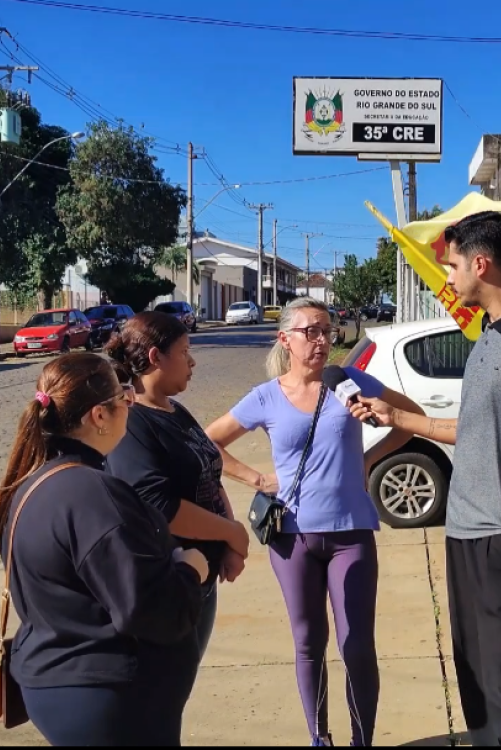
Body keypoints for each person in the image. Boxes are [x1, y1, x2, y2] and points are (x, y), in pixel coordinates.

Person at [349, 211, 501, 746]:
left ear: (482, 263)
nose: (448, 277)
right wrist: (398, 419)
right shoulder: (487, 336)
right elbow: (475, 429)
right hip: (463, 535)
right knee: (479, 686)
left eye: (453, 265)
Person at [204, 296, 421, 748]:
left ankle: (363, 739)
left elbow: (408, 420)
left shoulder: (349, 381)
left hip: (351, 533)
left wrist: (370, 458)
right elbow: (207, 442)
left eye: (328, 330)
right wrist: (257, 478)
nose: (323, 340)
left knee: (357, 645)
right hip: (292, 537)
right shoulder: (265, 397)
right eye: (311, 331)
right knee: (308, 642)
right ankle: (318, 738)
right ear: (286, 340)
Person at [0, 353, 209, 746]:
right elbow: (147, 607)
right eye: (123, 396)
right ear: (98, 416)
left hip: (60, 684)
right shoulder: (95, 496)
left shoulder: (30, 485)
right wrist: (191, 569)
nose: (130, 403)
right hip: (109, 699)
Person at [103, 312, 250, 677]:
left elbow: (209, 473)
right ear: (155, 358)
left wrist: (228, 539)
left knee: (178, 688)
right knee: (163, 695)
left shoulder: (175, 410)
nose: (192, 361)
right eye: (184, 351)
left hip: (202, 577)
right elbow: (158, 505)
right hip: (169, 583)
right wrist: (230, 532)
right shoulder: (133, 420)